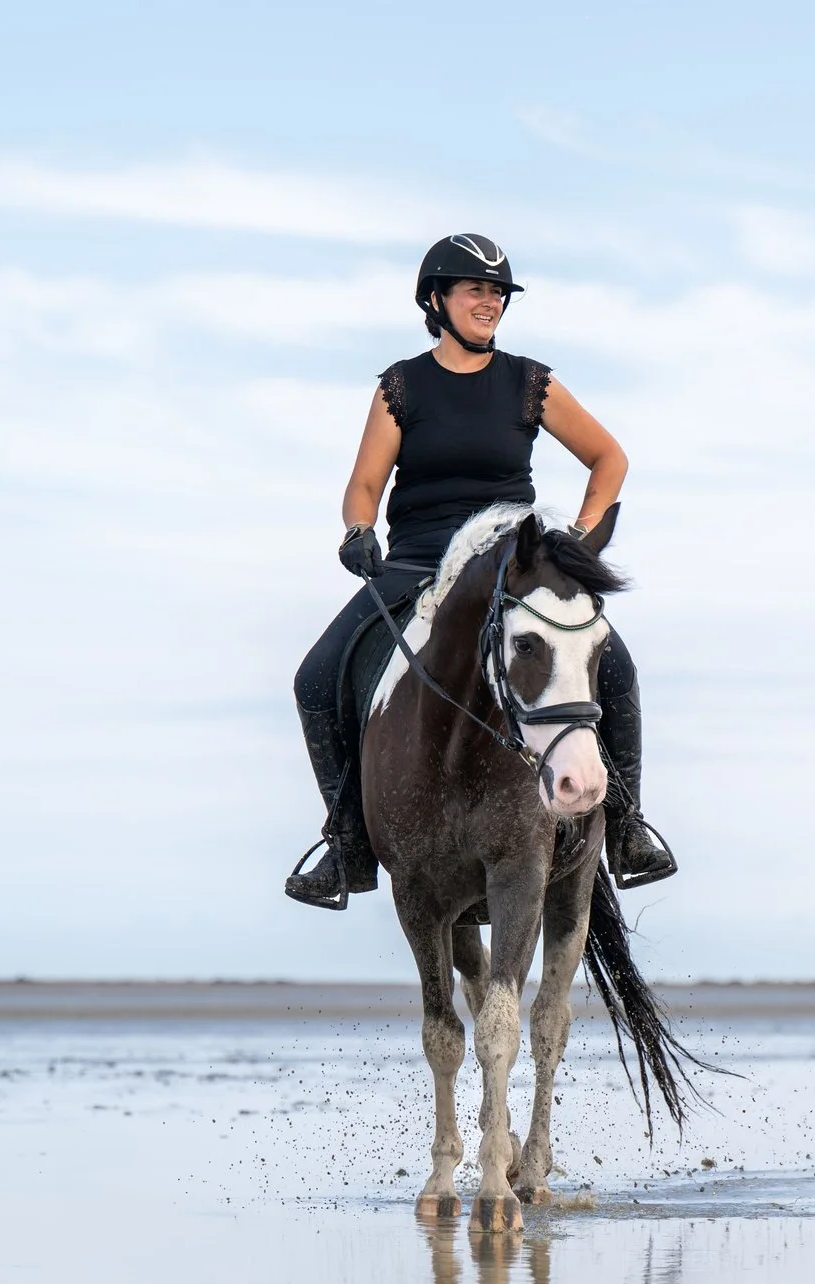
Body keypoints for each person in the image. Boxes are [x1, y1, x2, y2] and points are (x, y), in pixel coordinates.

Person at [286, 234, 678, 910]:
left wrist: (577, 541)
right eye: (475, 289)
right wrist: (357, 530)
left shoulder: (531, 383)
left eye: (498, 292)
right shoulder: (400, 388)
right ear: (436, 299)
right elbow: (364, 485)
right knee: (317, 676)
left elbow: (609, 459)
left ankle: (630, 828)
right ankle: (347, 840)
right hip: (416, 565)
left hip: (508, 566)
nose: (490, 301)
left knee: (615, 666)